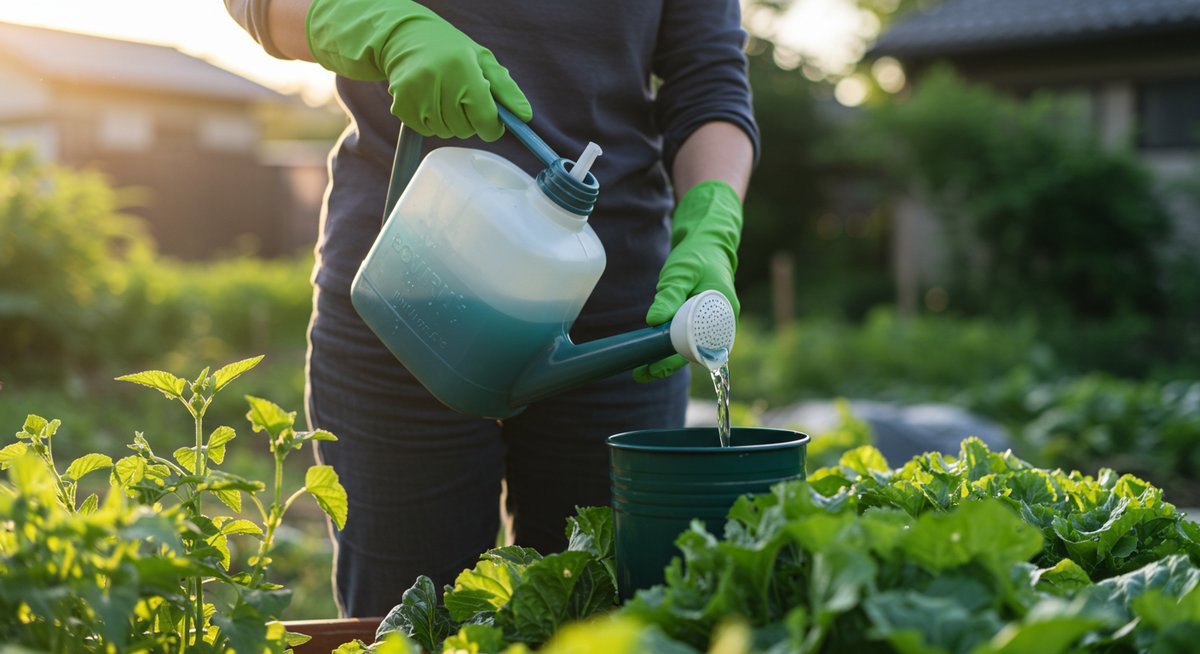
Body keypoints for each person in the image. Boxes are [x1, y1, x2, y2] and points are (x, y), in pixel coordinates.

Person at [224, 0, 758, 617]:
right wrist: (382, 27)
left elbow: (709, 77)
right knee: (412, 619)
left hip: (614, 323)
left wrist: (713, 219)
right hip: (408, 286)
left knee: (601, 617)